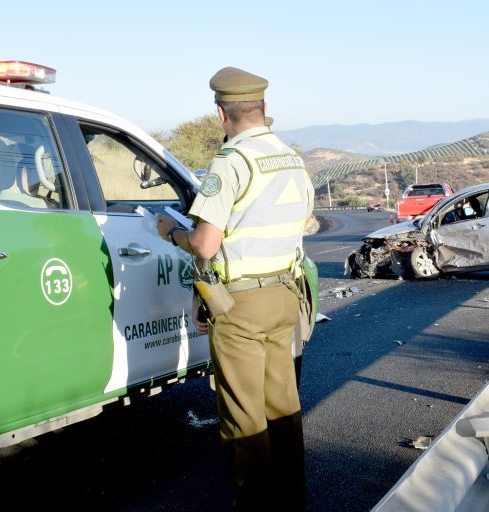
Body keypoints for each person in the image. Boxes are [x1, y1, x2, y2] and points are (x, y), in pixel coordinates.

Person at [156, 66, 313, 511]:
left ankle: (257, 504)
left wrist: (171, 230)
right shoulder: (291, 158)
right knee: (282, 403)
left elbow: (205, 243)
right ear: (264, 109)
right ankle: (293, 496)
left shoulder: (231, 162)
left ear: (222, 114)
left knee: (243, 413)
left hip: (241, 303)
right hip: (285, 293)